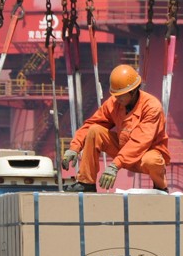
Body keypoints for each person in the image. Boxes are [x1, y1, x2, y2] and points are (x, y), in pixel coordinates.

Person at [62, 64, 170, 192]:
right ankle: (86, 183)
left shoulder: (152, 107)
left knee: (152, 161)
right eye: (115, 94)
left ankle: (160, 188)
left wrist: (115, 165)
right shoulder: (114, 103)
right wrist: (74, 147)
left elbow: (140, 142)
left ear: (133, 91)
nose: (117, 98)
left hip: (145, 153)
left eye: (121, 95)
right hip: (122, 148)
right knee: (95, 131)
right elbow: (92, 124)